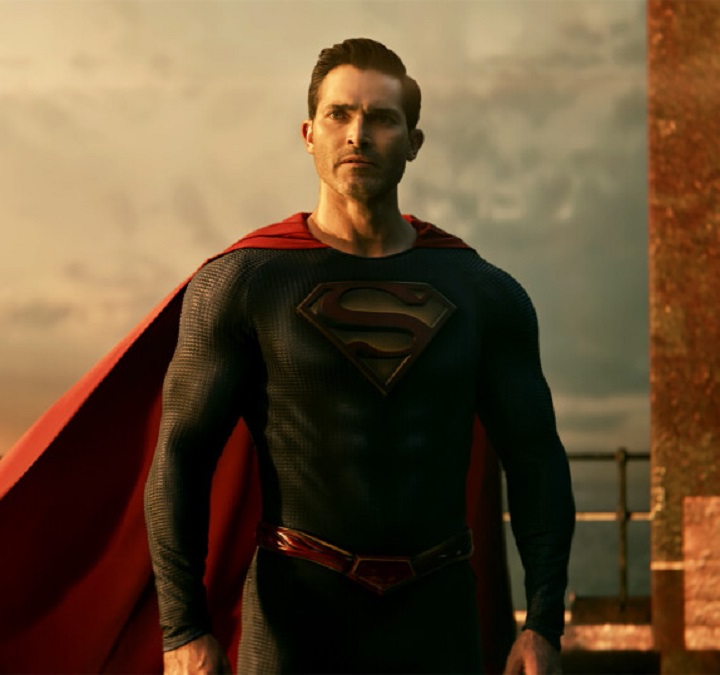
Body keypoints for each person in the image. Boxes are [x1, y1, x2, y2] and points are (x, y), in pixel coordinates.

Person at [143, 38, 576, 674]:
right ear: (309, 133)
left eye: (381, 118)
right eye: (339, 114)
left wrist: (542, 624)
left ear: (413, 142)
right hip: (295, 621)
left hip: (435, 620)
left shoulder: (483, 293)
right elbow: (181, 456)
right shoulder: (245, 282)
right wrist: (182, 628)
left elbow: (536, 460)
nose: (358, 134)